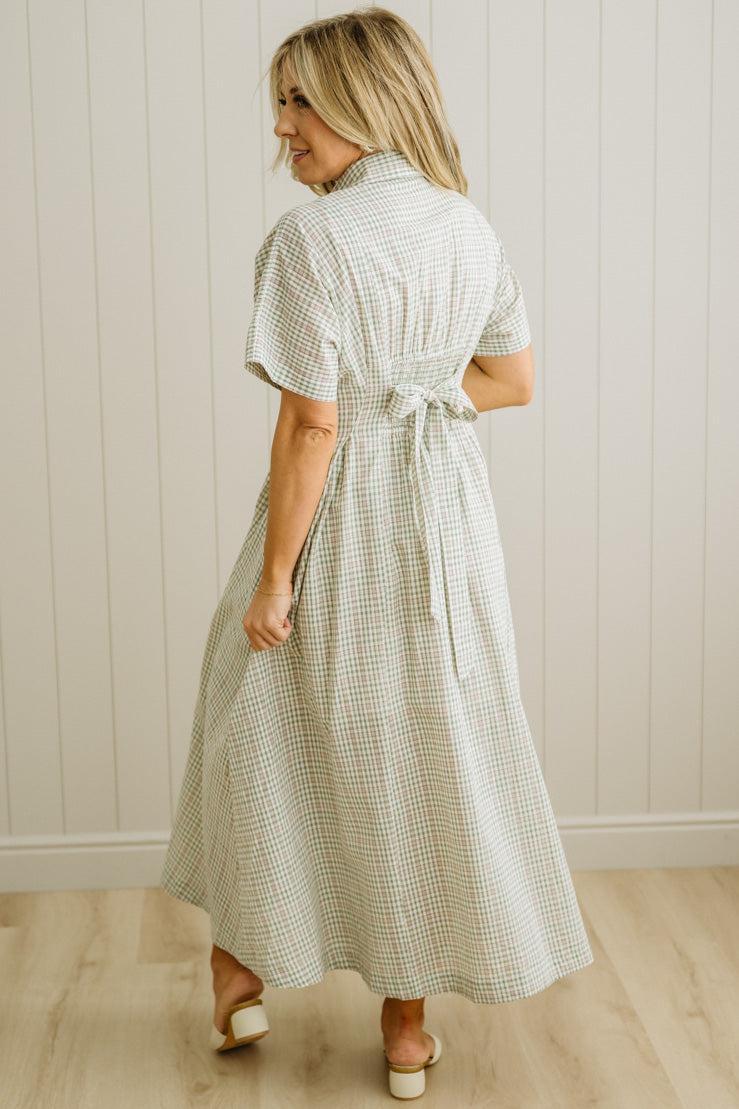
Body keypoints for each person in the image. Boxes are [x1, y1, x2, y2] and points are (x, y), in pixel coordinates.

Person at [160, 6, 594, 1100]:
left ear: (365, 97)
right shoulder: (466, 223)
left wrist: (272, 581)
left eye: (300, 100)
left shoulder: (309, 241)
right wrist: (422, 394)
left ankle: (241, 959)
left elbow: (312, 426)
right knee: (425, 742)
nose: (283, 128)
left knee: (254, 713)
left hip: (342, 516)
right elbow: (512, 380)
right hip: (447, 526)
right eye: (279, 103)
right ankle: (404, 1030)